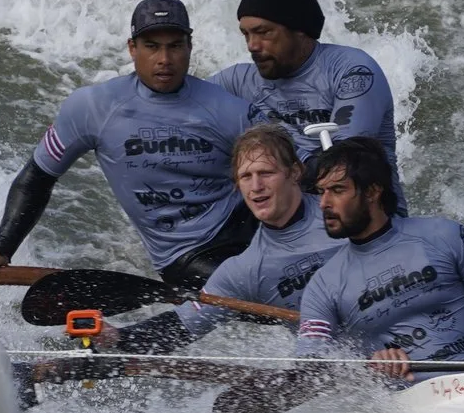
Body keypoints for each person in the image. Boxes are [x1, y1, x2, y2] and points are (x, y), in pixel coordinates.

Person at [0, 0, 254, 290]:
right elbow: (38, 177)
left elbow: (276, 171)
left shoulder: (228, 108)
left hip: (251, 228)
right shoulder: (93, 108)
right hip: (188, 254)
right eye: (151, 47)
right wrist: (0, 249)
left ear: (189, 46)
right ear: (132, 48)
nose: (164, 59)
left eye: (175, 46)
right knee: (254, 286)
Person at [292, 135, 464, 382]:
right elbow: (310, 369)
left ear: (372, 192)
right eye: (321, 192)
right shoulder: (323, 286)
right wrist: (366, 364)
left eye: (337, 190)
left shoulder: (445, 235)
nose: (323, 203)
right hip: (414, 398)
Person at [94, 124, 336, 353]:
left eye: (266, 173)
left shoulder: (346, 215)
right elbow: (181, 326)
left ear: (294, 172)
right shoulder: (245, 269)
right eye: (246, 176)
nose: (256, 186)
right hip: (332, 367)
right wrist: (116, 337)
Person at [215, 0, 401, 205]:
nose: (252, 45)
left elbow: (343, 165)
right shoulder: (237, 81)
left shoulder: (352, 70)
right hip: (286, 220)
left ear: (299, 29)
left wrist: (283, 156)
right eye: (246, 34)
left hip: (362, 217)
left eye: (263, 32)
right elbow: (180, 102)